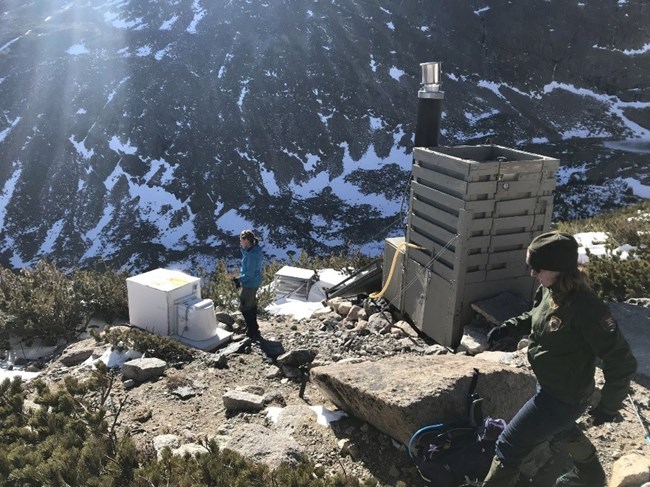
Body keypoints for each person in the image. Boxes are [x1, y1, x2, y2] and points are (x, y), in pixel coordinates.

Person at [482, 231, 637, 487]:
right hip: (549, 384)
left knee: (509, 445)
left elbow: (621, 361)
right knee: (561, 428)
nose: (532, 274)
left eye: (537, 268)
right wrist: (510, 328)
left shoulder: (588, 309)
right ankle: (592, 478)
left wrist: (609, 406)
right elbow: (537, 315)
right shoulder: (550, 288)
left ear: (557, 268)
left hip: (564, 397)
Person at [233, 229, 264, 340]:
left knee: (245, 306)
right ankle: (253, 327)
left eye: (242, 240)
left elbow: (249, 273)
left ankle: (252, 330)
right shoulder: (252, 250)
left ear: (247, 241)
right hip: (253, 281)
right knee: (250, 304)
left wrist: (239, 280)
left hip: (250, 283)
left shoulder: (251, 255)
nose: (240, 242)